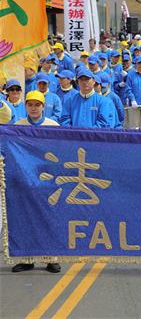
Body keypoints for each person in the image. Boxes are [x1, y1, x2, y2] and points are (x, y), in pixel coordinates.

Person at [12, 91, 60, 273]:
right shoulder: (18, 125)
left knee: (48, 218)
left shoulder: (53, 126)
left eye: (37, 105)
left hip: (47, 181)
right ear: (26, 107)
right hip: (25, 180)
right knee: (25, 218)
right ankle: (27, 258)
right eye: (30, 105)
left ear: (43, 107)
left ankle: (51, 258)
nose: (33, 108)